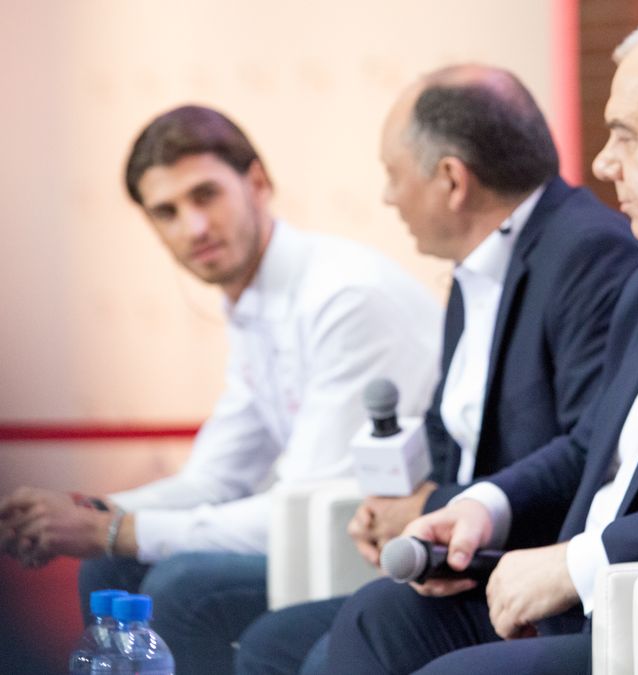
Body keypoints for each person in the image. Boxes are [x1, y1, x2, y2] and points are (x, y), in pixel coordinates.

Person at [323, 6, 638, 673]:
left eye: (624, 135)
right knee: (381, 616)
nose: (602, 161)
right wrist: (482, 505)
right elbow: (592, 444)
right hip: (580, 595)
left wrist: (582, 560)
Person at [0, 104, 443, 675]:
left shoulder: (342, 297)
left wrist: (113, 528)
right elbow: (216, 478)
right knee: (107, 567)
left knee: (185, 583)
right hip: (319, 539)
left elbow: (306, 515)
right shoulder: (254, 302)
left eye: (205, 195)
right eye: (167, 212)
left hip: (382, 551)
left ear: (257, 183)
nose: (195, 228)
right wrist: (87, 514)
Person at [233, 64, 638, 674]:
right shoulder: (472, 267)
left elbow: (591, 452)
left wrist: (445, 506)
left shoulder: (588, 253)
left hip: (537, 567)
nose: (387, 196)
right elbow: (448, 430)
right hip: (468, 556)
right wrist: (399, 509)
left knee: (333, 643)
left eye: (393, 175)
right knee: (273, 641)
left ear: (452, 179)